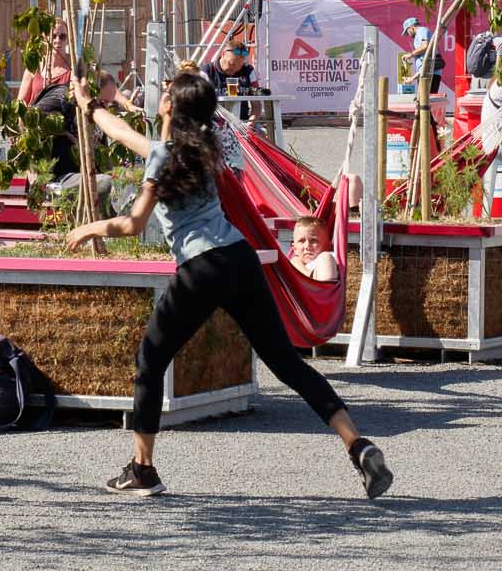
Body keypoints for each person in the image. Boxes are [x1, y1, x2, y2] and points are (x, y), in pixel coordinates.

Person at [67, 69, 390, 500]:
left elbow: (133, 224)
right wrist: (89, 106)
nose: (161, 94)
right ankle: (357, 444)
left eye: (166, 92)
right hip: (240, 259)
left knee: (150, 361)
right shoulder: (203, 150)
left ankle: (142, 470)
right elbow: (124, 133)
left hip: (201, 267)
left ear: (171, 107)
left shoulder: (165, 157)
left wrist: (89, 228)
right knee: (287, 364)